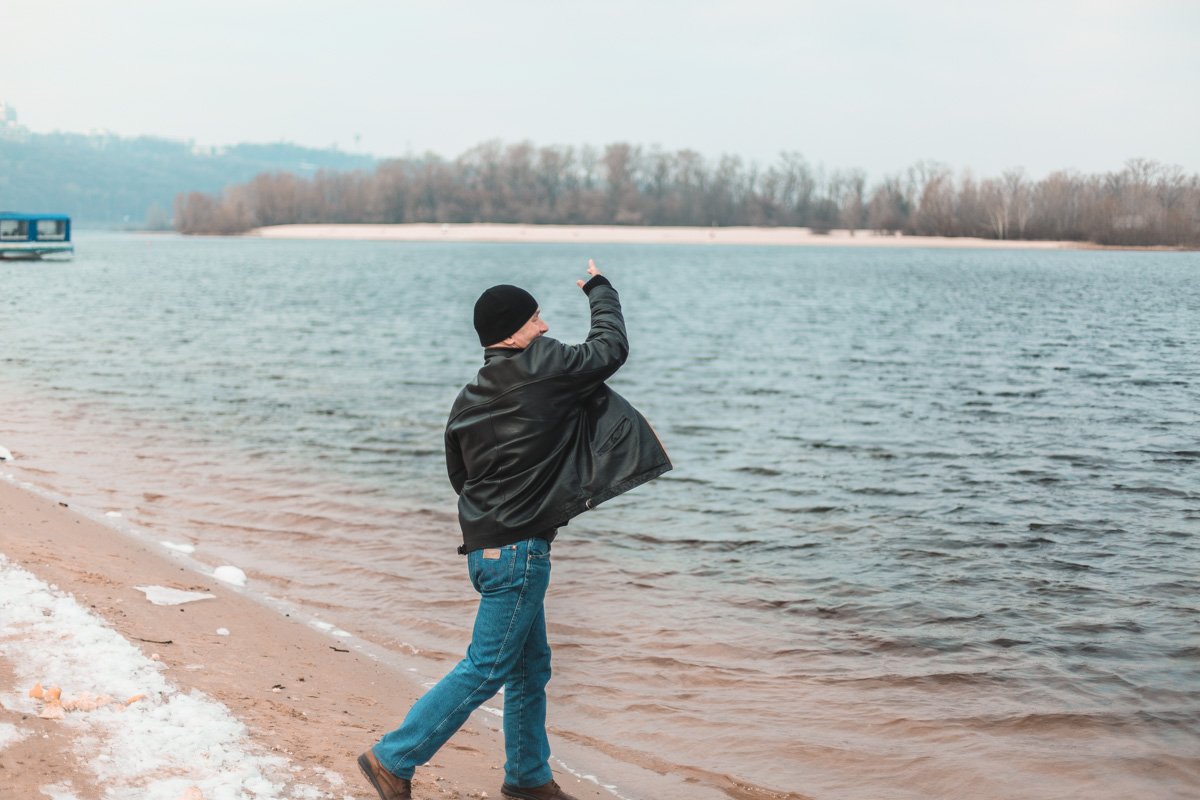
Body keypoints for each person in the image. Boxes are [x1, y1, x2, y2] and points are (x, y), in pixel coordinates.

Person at [358, 259, 672, 800]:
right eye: (536, 318)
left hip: (489, 551)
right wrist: (600, 290)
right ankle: (393, 757)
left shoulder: (470, 395)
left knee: (530, 669)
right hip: (518, 553)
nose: (545, 326)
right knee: (486, 668)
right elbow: (609, 349)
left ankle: (527, 778)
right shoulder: (543, 365)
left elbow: (461, 476)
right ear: (514, 329)